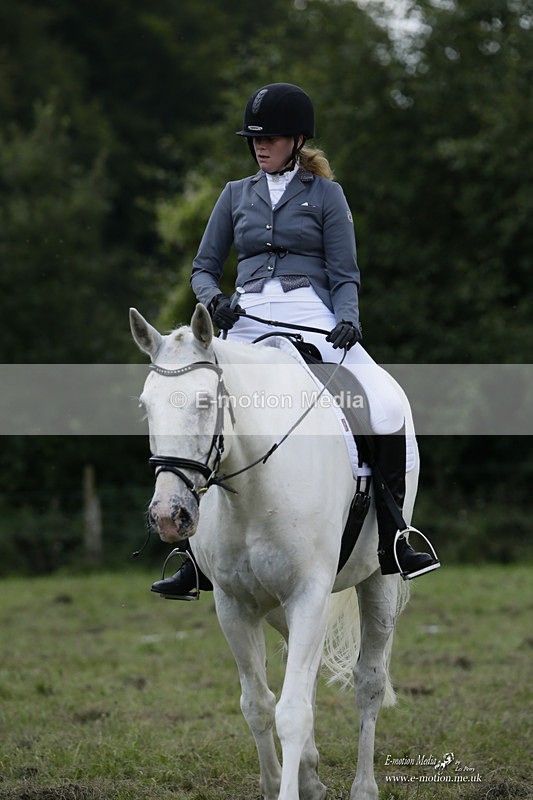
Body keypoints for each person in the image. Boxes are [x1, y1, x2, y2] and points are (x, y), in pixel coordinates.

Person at [152, 82, 440, 599]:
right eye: (255, 139)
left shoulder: (327, 195)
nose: (261, 146)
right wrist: (215, 300)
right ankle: (194, 557)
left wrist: (348, 318)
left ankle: (395, 533)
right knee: (191, 407)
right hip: (245, 320)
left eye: (273, 138)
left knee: (383, 403)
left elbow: (345, 271)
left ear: (298, 139)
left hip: (313, 315)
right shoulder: (235, 194)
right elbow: (203, 267)